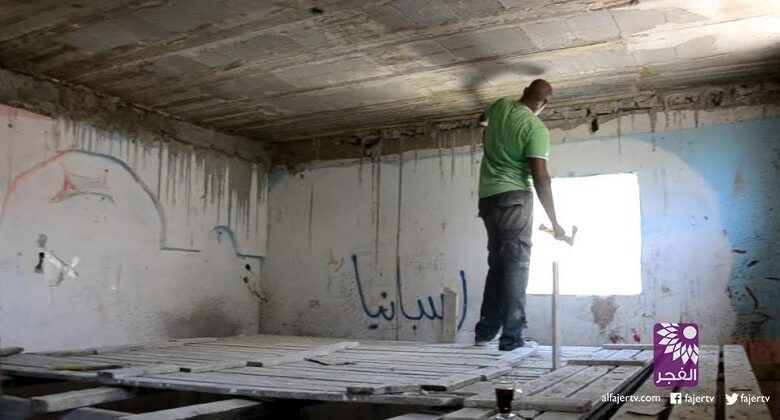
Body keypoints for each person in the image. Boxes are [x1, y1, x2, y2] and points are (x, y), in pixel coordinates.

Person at [474, 79, 566, 351]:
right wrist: (555, 222)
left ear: (524, 92)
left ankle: (485, 332)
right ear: (544, 103)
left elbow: (481, 120)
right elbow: (540, 178)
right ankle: (512, 337)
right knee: (517, 264)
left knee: (498, 265)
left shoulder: (500, 105)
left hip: (488, 198)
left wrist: (491, 137)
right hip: (514, 198)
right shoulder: (535, 128)